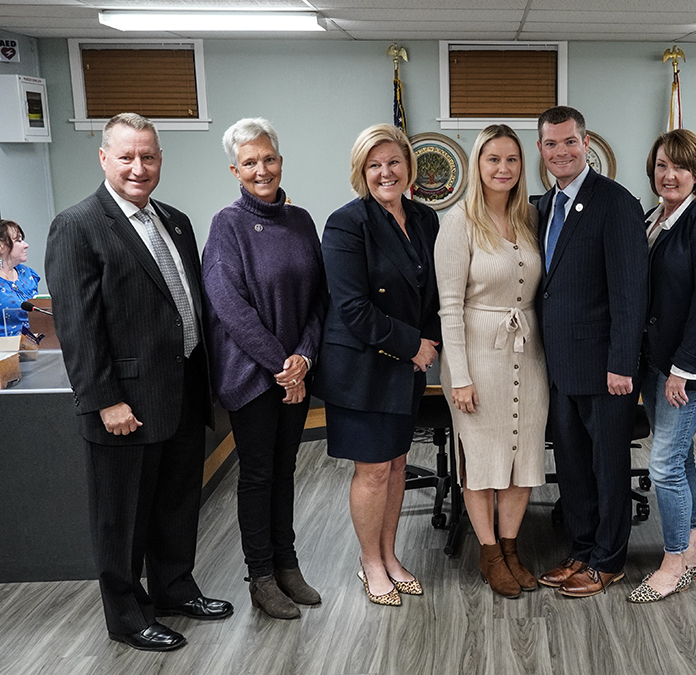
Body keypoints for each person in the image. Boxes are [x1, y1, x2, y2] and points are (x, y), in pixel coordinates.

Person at [44, 113, 233, 652]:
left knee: (176, 504)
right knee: (122, 519)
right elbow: (78, 327)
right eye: (126, 156)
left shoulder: (174, 220)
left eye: (148, 156)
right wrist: (105, 400)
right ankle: (127, 615)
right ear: (103, 158)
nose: (138, 167)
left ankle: (174, 588)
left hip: (180, 393)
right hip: (123, 404)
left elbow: (185, 306)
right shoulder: (77, 225)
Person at [201, 118, 326, 619]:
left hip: (295, 369)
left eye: (268, 159)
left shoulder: (300, 221)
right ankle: (261, 576)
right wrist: (282, 366)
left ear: (280, 160)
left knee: (285, 469)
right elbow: (228, 305)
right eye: (249, 162)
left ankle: (288, 564)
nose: (261, 169)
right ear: (235, 169)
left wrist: (305, 358)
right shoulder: (226, 225)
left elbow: (319, 298)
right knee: (257, 475)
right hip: (253, 377)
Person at [313, 124, 440, 606]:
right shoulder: (347, 223)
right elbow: (351, 308)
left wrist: (431, 341)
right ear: (361, 172)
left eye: (393, 162)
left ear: (408, 167)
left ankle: (390, 555)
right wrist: (413, 346)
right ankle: (370, 563)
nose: (385, 172)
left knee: (397, 465)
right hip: (364, 367)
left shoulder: (425, 219)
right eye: (374, 164)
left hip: (406, 365)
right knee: (372, 471)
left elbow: (433, 292)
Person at [534, 106, 648, 598]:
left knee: (608, 468)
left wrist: (622, 363)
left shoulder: (615, 203)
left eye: (570, 143)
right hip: (558, 366)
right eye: (551, 144)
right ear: (541, 149)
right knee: (574, 469)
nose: (561, 152)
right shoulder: (541, 205)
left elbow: (630, 292)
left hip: (606, 370)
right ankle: (581, 550)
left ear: (587, 145)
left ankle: (608, 559)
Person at [434, 124, 547, 599]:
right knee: (481, 461)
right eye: (493, 159)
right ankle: (488, 552)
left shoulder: (530, 218)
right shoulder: (458, 222)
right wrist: (460, 377)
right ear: (477, 165)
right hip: (477, 356)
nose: (503, 169)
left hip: (529, 353)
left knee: (523, 457)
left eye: (512, 160)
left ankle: (511, 547)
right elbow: (449, 307)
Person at [629, 129, 696, 603]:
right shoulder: (654, 218)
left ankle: (673, 562)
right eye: (661, 166)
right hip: (657, 361)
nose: (669, 175)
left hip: (685, 369)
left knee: (664, 465)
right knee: (681, 456)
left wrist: (682, 368)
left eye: (679, 167)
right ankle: (692, 551)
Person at [0, 219, 39, 336]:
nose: (26, 245)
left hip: (34, 347)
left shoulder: (28, 274)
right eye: (19, 240)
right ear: (1, 246)